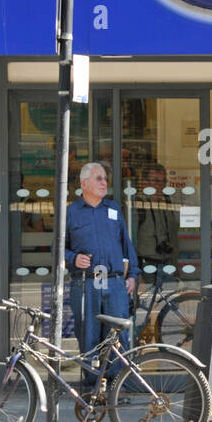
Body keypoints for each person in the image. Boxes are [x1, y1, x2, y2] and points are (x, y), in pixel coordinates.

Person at [65, 161, 138, 389]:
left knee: (118, 339)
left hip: (115, 283)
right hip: (85, 283)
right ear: (84, 183)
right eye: (98, 178)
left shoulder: (114, 209)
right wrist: (73, 259)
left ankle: (117, 389)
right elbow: (58, 248)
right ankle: (91, 390)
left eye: (105, 178)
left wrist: (133, 275)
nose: (104, 182)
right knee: (88, 337)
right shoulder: (71, 212)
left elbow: (126, 244)